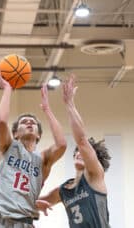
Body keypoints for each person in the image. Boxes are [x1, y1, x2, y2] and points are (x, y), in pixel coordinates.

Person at [0, 72, 67, 227]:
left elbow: (61, 144)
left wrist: (47, 110)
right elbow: (1, 121)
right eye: (24, 122)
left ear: (38, 135)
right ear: (15, 133)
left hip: (24, 222)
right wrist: (7, 89)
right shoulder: (9, 146)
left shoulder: (42, 160)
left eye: (33, 123)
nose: (29, 123)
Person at [36, 75, 111, 228]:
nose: (79, 153)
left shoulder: (95, 176)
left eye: (83, 153)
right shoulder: (64, 189)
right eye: (76, 151)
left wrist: (69, 104)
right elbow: (38, 203)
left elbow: (82, 140)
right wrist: (46, 109)